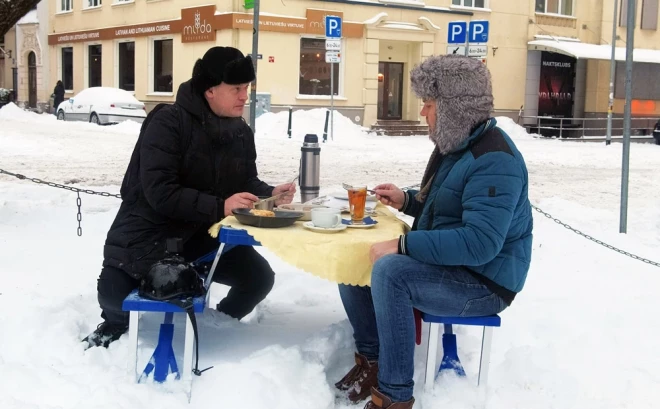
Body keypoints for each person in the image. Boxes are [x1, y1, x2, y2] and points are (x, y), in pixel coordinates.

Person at [334, 55, 533, 408]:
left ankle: (394, 396)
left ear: (453, 108)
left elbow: (480, 243)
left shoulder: (495, 159)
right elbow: (448, 209)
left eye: (428, 104)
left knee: (392, 272)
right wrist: (407, 200)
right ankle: (373, 360)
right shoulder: (459, 147)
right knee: (355, 252)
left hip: (484, 282)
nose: (423, 113)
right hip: (461, 266)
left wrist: (403, 244)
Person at [82, 46, 295, 349]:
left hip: (203, 238)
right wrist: (220, 206)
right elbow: (160, 192)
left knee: (258, 279)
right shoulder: (168, 122)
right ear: (210, 90)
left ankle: (220, 325)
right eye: (236, 88)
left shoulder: (240, 131)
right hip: (150, 236)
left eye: (246, 88)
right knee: (114, 296)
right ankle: (114, 328)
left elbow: (245, 180)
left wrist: (270, 193)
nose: (244, 96)